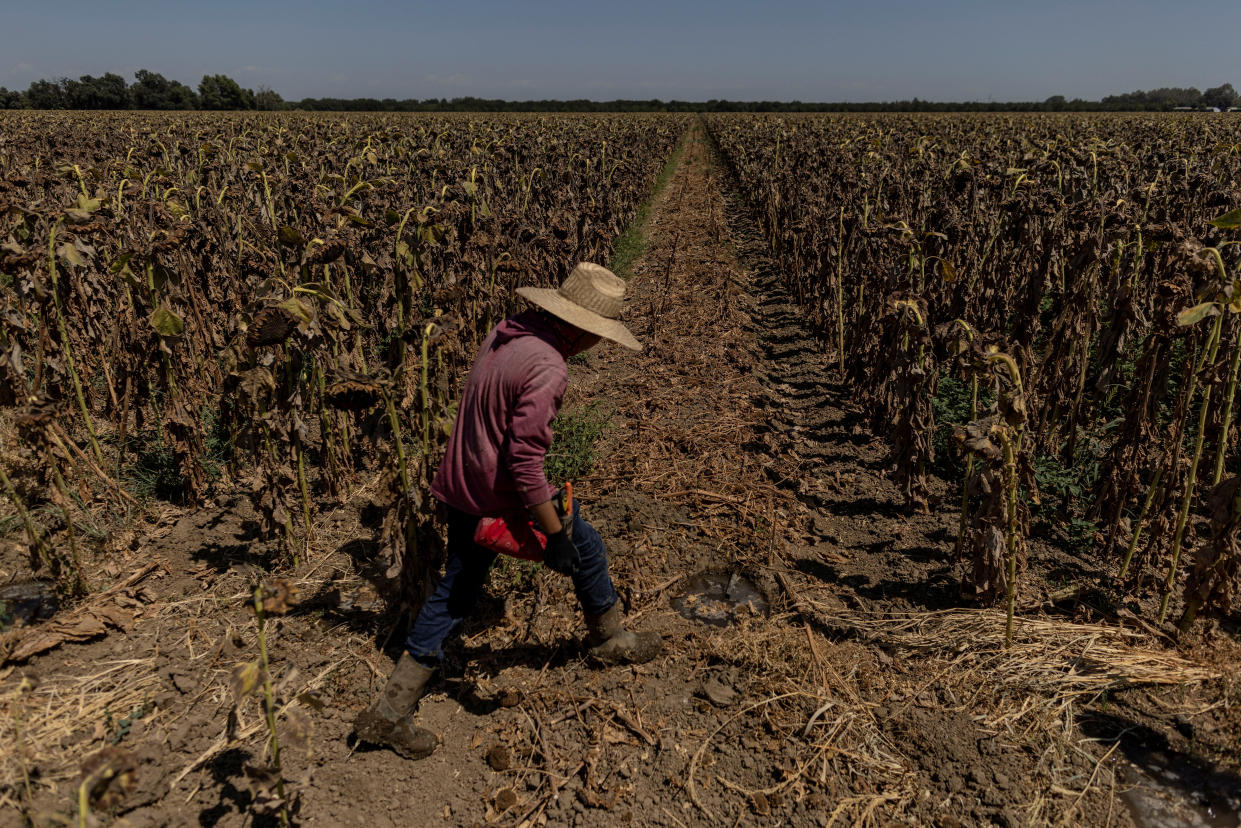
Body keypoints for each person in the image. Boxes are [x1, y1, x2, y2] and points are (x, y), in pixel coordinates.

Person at [354, 262, 663, 759]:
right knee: (583, 544)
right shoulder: (548, 367)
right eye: (601, 335)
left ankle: (390, 712)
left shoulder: (507, 331)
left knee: (455, 593)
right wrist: (554, 535)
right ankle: (609, 639)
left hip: (461, 483)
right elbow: (524, 462)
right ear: (584, 330)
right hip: (497, 496)